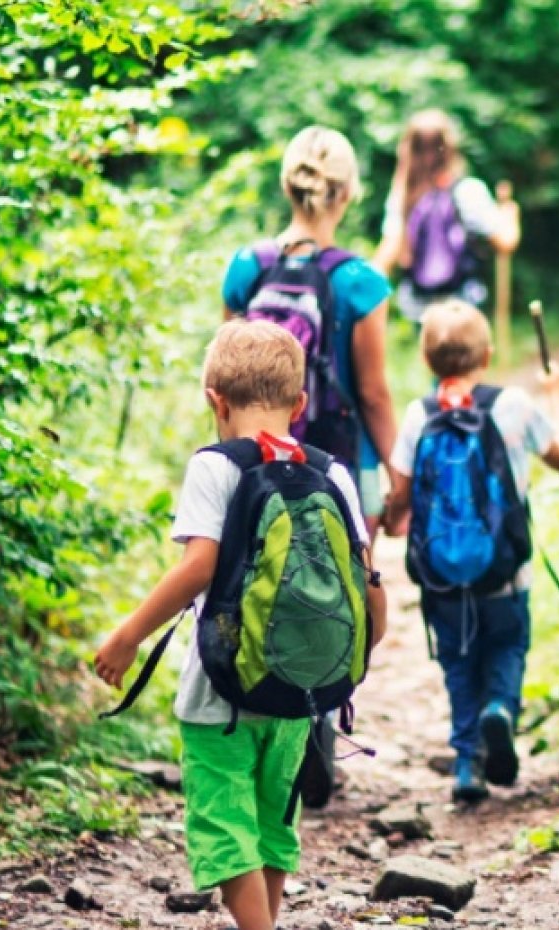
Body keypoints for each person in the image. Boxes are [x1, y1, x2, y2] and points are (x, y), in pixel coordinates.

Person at [95, 321, 387, 930]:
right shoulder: (331, 473)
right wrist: (348, 657)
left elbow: (198, 566)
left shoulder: (216, 467)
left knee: (224, 828)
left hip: (219, 694)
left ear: (215, 401)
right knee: (272, 820)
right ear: (300, 405)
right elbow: (367, 583)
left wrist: (129, 636)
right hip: (300, 694)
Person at [383, 300, 559, 802]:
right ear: (487, 355)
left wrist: (393, 516)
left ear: (427, 362)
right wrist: (555, 396)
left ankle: (467, 763)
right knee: (507, 649)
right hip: (505, 575)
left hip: (442, 579)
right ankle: (501, 712)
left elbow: (400, 496)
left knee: (458, 664)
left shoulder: (417, 415)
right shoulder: (512, 405)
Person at [224, 125, 400, 538]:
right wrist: (399, 479)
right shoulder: (361, 281)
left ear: (288, 186)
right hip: (345, 467)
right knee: (350, 591)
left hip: (257, 465)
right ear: (346, 193)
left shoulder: (246, 266)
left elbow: (225, 377)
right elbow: (373, 395)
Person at [373, 110, 522, 322]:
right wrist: (510, 215)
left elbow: (386, 257)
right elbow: (506, 242)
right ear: (450, 148)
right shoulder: (468, 191)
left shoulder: (404, 198)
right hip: (463, 306)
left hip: (420, 309)